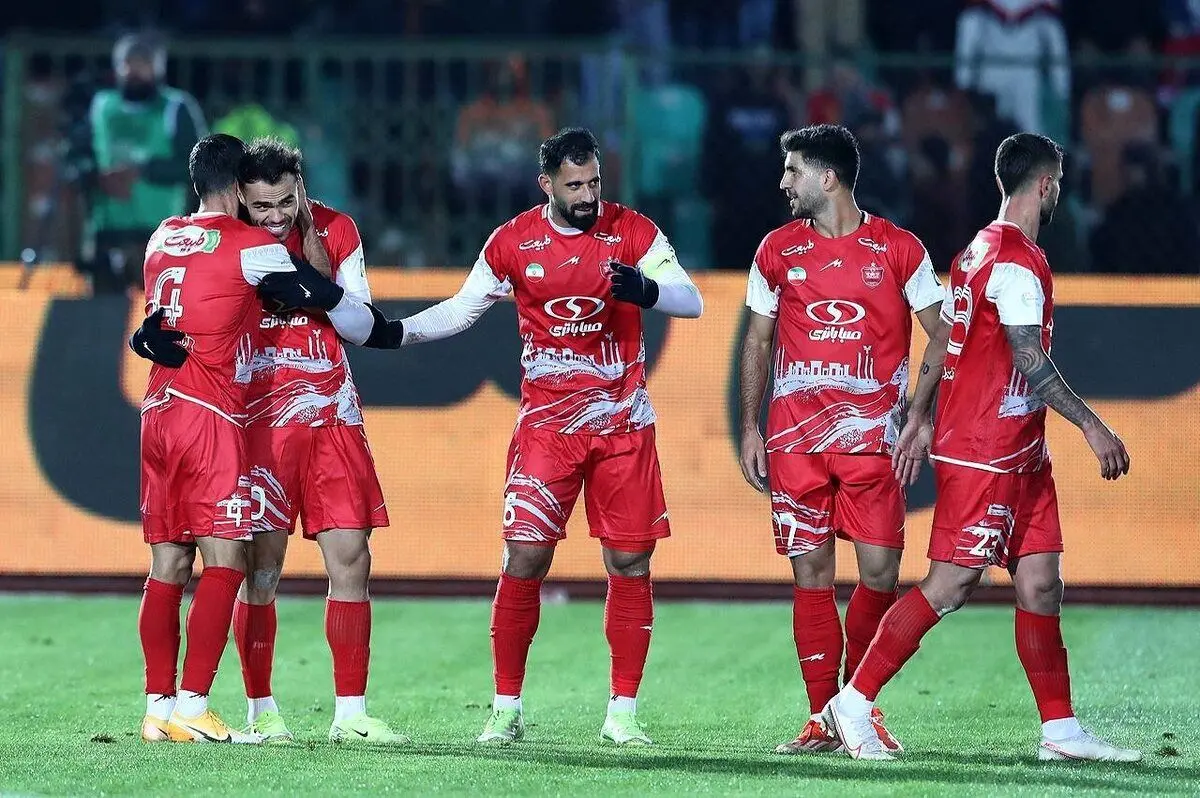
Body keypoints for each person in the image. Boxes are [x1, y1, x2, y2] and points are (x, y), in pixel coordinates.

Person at [824, 133, 1141, 763]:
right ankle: (852, 703)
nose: (1058, 193)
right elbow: (1028, 358)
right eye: (1058, 184)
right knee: (951, 584)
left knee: (1040, 583)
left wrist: (919, 415)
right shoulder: (1015, 260)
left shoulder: (978, 248)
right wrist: (1092, 425)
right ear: (1045, 185)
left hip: (1022, 452)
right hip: (984, 449)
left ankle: (1060, 731)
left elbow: (950, 338)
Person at [397, 127, 702, 746]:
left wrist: (646, 289)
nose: (588, 196)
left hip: (622, 426)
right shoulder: (513, 241)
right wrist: (397, 333)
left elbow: (691, 300)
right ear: (547, 185)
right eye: (575, 186)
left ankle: (622, 714)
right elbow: (461, 309)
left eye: (594, 183)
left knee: (630, 562)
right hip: (547, 429)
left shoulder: (633, 231)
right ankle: (505, 708)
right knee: (525, 556)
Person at [132, 137, 407, 744]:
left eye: (287, 201)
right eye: (262, 204)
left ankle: (349, 713)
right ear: (240, 194)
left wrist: (144, 335)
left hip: (327, 413)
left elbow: (358, 320)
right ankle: (256, 708)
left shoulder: (334, 229)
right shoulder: (244, 243)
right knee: (253, 567)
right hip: (246, 419)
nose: (276, 214)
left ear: (300, 188)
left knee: (351, 555)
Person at [738, 124, 946, 756]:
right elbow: (758, 341)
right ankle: (819, 718)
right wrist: (750, 427)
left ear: (827, 177)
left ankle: (854, 705)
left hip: (873, 440)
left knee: (880, 574)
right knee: (812, 574)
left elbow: (942, 334)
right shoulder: (776, 250)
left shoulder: (900, 249)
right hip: (795, 441)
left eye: (793, 170)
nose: (783, 182)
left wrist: (920, 415)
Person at [136, 133, 297, 744]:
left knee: (168, 563)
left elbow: (159, 318)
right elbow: (313, 295)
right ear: (238, 187)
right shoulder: (253, 246)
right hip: (209, 414)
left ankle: (157, 709)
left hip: (158, 409)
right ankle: (194, 705)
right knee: (226, 557)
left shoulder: (161, 235)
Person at [66, 33, 207, 293]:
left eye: (144, 63)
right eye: (129, 63)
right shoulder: (101, 106)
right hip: (106, 231)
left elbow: (198, 166)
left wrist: (143, 171)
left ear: (159, 67)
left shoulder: (176, 107)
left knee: (160, 313)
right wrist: (97, 177)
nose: (135, 71)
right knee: (103, 313)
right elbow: (76, 157)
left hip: (161, 235)